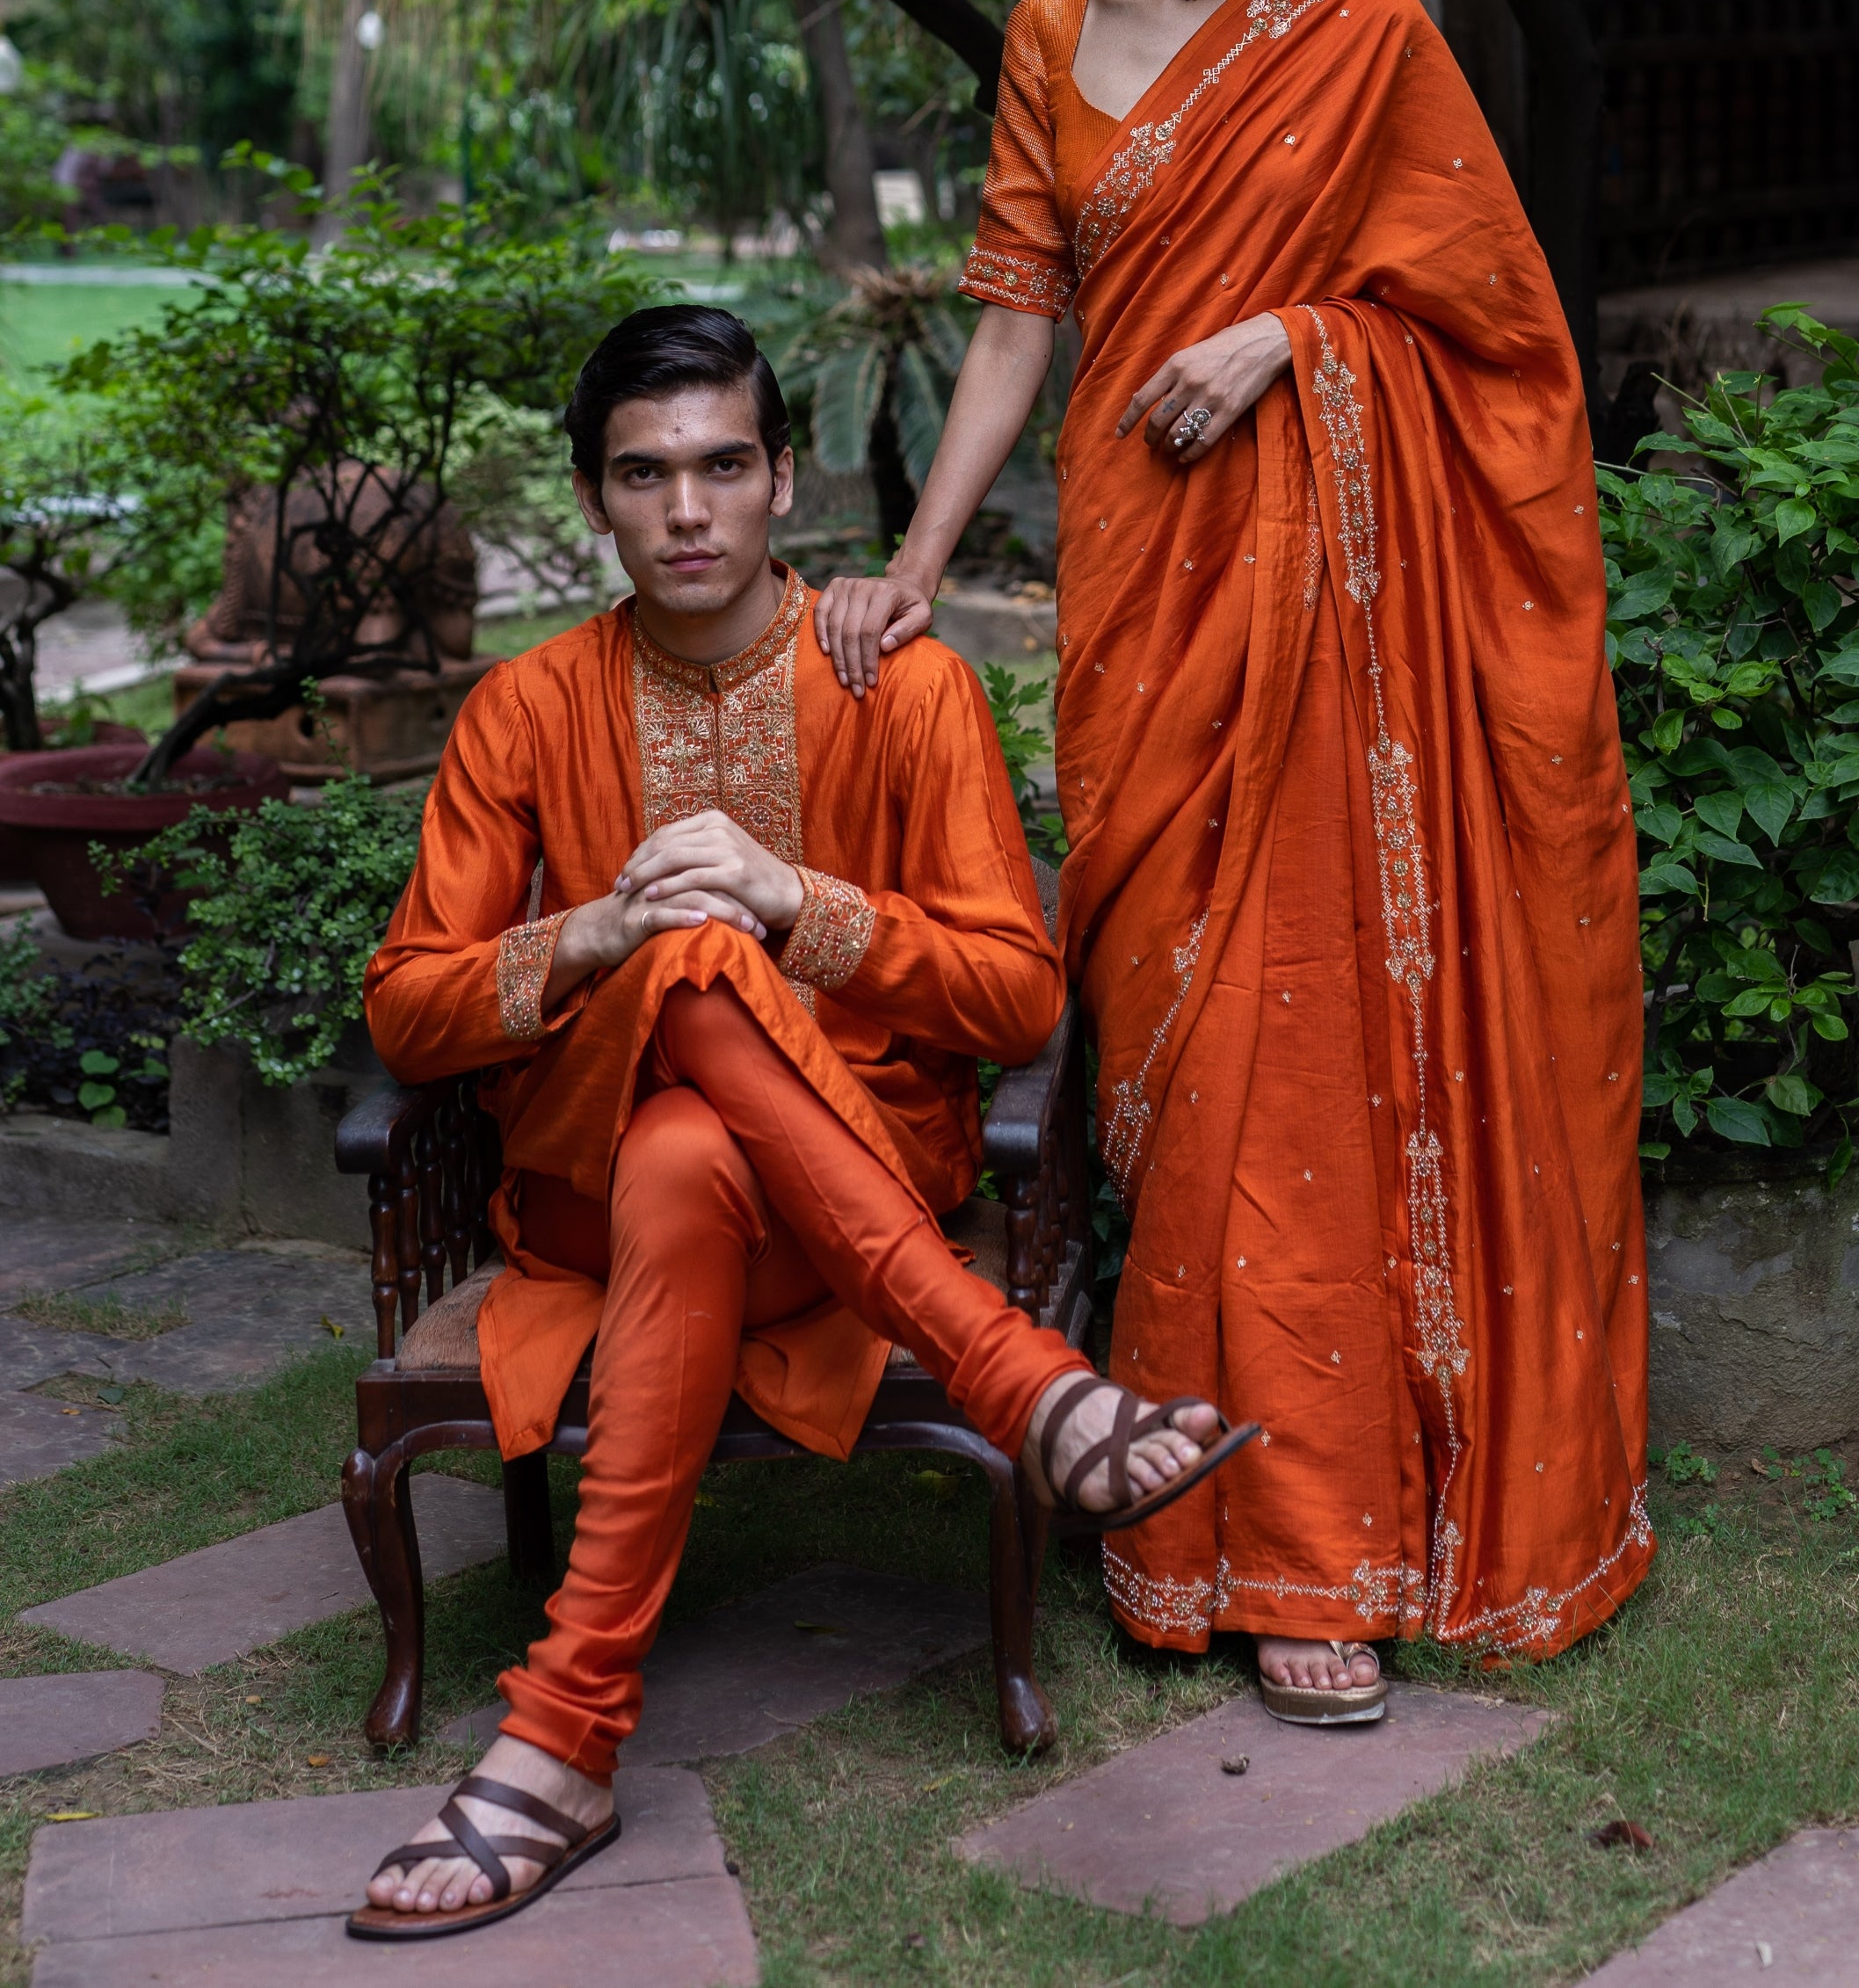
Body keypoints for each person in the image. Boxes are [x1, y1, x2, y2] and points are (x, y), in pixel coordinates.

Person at [815, 0, 1651, 1723]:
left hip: (1332, 590)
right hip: (1138, 587)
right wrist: (914, 568)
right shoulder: (1044, 33)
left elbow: (1489, 322)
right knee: (1181, 1057)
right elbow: (1015, 321)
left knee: (1323, 1045)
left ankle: (1320, 1559)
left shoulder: (1362, 34)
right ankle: (1186, 1521)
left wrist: (1296, 339)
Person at [350, 304, 1253, 1937]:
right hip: (581, 1195)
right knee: (680, 968)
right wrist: (600, 936)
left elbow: (1017, 1001)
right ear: (594, 500)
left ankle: (557, 1744)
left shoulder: (902, 689)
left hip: (845, 1199)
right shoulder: (525, 708)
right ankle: (1020, 1380)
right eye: (643, 475)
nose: (684, 511)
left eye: (718, 467)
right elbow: (407, 1008)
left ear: (783, 478)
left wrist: (802, 904)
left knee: (699, 1113)